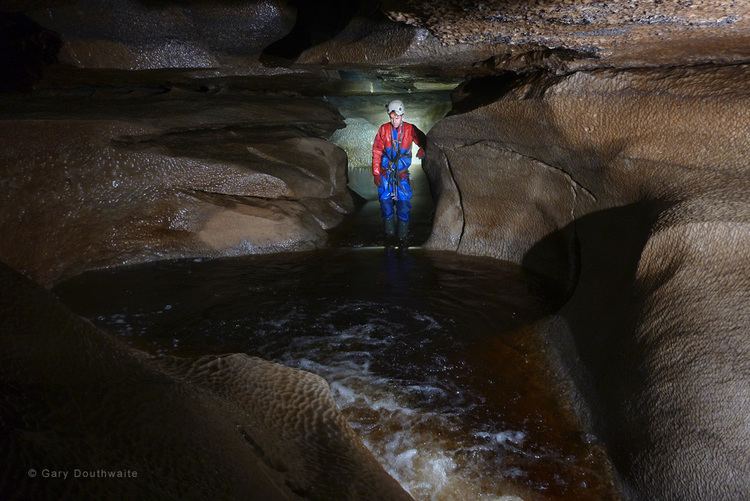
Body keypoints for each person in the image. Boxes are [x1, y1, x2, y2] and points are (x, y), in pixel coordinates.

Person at [371, 99, 426, 247]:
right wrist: (376, 173)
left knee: (403, 204)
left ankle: (402, 238)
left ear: (402, 115)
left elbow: (424, 140)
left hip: (401, 174)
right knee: (385, 204)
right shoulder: (383, 129)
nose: (394, 120)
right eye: (392, 117)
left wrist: (423, 148)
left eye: (397, 117)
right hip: (385, 174)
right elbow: (377, 150)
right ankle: (389, 237)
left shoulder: (410, 129)